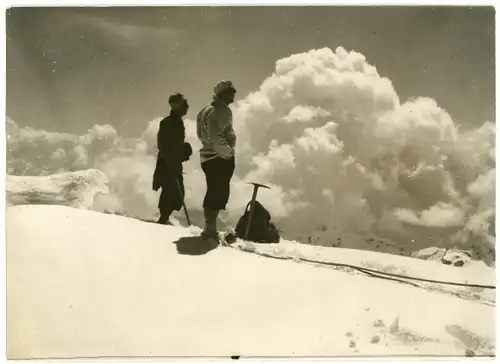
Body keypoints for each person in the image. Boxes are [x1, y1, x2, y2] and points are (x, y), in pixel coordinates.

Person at [196, 80, 237, 239]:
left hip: (207, 157)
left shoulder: (206, 110)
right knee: (217, 192)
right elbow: (216, 137)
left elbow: (203, 135)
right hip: (218, 157)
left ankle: (209, 227)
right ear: (223, 94)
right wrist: (227, 153)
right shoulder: (220, 111)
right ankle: (209, 230)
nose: (234, 92)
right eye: (231, 90)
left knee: (213, 190)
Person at [152, 93, 192, 225]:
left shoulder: (177, 123)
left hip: (172, 161)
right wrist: (176, 154)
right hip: (167, 162)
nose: (186, 108)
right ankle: (163, 218)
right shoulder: (168, 123)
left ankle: (164, 217)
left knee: (175, 191)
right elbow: (163, 144)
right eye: (183, 105)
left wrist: (182, 151)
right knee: (171, 190)